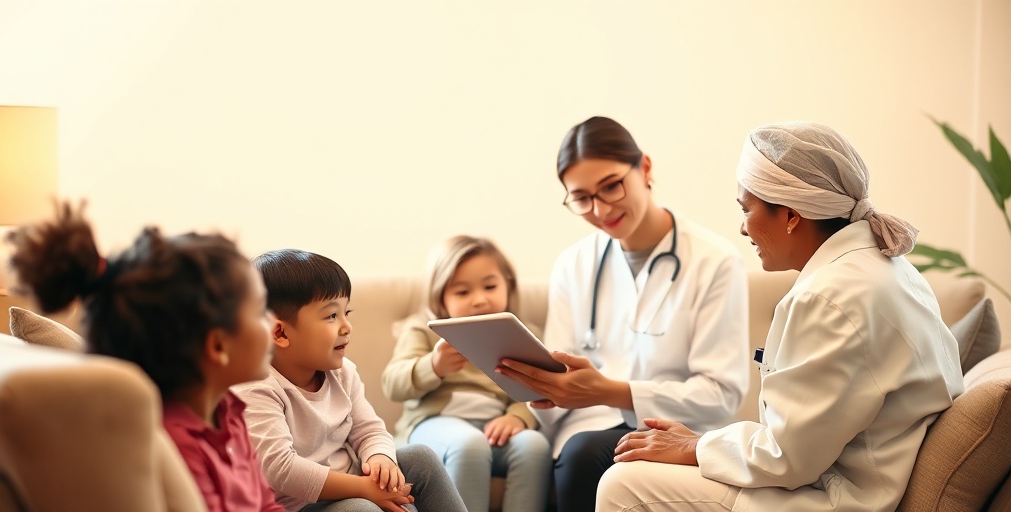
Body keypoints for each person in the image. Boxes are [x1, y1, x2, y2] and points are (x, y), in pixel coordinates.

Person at [595, 122, 965, 512]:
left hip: (834, 498)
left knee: (623, 484)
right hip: (831, 477)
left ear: (790, 215)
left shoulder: (828, 297)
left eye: (746, 209)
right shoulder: (885, 266)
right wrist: (701, 443)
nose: (741, 227)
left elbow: (787, 459)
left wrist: (696, 445)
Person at [496, 116, 750, 512]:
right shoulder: (572, 265)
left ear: (644, 168)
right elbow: (557, 369)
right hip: (585, 425)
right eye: (581, 198)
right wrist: (536, 398)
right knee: (578, 451)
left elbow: (722, 394)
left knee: (584, 457)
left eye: (611, 186)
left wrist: (612, 391)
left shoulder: (715, 261)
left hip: (675, 430)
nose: (600, 209)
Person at [6, 203, 284, 512]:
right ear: (217, 346)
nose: (272, 323)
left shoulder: (229, 411)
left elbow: (266, 505)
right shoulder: (172, 445)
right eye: (261, 311)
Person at [232, 249, 468, 512]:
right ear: (280, 332)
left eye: (347, 312)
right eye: (332, 315)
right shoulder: (254, 385)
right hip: (297, 505)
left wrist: (380, 457)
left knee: (421, 458)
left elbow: (370, 430)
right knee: (360, 509)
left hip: (353, 480)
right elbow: (281, 470)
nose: (347, 326)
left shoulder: (343, 372)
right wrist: (363, 489)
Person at [381, 235, 552, 512]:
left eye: (490, 286)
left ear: (508, 284)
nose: (479, 300)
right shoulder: (422, 329)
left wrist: (517, 416)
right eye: (462, 292)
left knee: (534, 446)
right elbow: (392, 385)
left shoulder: (521, 333)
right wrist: (433, 366)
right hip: (434, 425)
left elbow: (539, 389)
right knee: (470, 445)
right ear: (441, 297)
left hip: (495, 429)